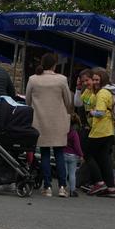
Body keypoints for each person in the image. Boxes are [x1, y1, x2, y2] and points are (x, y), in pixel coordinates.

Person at [25, 53, 72, 198]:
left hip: (40, 121)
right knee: (59, 154)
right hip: (58, 121)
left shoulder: (33, 79)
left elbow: (27, 101)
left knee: (44, 153)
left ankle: (48, 186)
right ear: (54, 65)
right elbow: (68, 101)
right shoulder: (62, 80)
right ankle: (63, 187)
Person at [85, 68, 115, 197]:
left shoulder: (102, 93)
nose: (94, 82)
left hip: (100, 130)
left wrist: (92, 112)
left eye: (97, 80)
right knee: (104, 159)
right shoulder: (109, 91)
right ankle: (111, 188)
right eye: (93, 79)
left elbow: (100, 113)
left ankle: (99, 182)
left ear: (103, 80)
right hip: (109, 130)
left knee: (88, 154)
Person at [64, 113, 84, 197]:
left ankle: (63, 189)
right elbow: (77, 146)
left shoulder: (64, 131)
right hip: (73, 156)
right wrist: (81, 155)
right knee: (72, 174)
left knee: (64, 173)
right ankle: (72, 190)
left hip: (63, 153)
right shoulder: (74, 133)